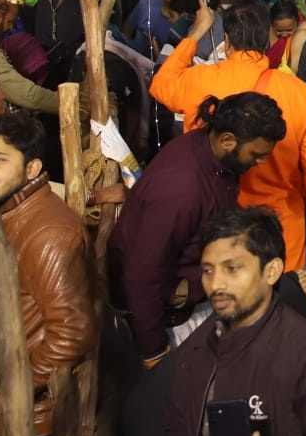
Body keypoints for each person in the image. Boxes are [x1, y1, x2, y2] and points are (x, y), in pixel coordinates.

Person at [162, 207, 306, 436]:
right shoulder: (201, 345)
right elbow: (176, 431)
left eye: (232, 269)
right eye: (208, 270)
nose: (216, 284)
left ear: (271, 271)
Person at [0, 114, 97, 436]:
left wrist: (15, 389)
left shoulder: (47, 232)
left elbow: (74, 330)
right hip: (10, 417)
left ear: (32, 169)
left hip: (32, 423)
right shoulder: (9, 216)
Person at [150, 0, 306, 270]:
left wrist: (196, 33)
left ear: (227, 39)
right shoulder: (296, 90)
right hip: (282, 226)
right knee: (285, 302)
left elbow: (160, 84)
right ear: (268, 37)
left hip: (220, 221)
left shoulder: (201, 79)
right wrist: (294, 196)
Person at [111, 92, 285, 364]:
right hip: (173, 318)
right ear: (228, 141)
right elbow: (142, 274)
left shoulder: (211, 153)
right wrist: (154, 350)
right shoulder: (181, 189)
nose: (262, 162)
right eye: (257, 154)